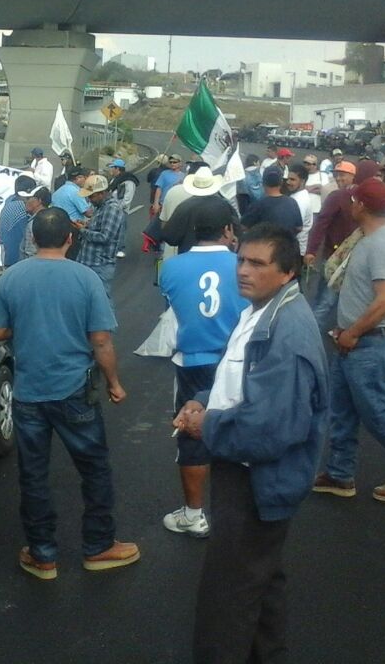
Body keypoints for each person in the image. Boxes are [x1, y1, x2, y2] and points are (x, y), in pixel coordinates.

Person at [172, 223, 329, 663]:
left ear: (287, 272)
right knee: (261, 582)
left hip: (254, 480)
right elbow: (236, 381)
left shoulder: (289, 331)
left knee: (226, 600)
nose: (242, 270)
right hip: (242, 469)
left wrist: (208, 427)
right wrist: (201, 402)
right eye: (241, 258)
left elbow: (271, 427)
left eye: (257, 263)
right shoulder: (260, 310)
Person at [0, 208, 139, 582]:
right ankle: (98, 547)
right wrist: (115, 383)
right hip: (74, 390)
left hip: (28, 392)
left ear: (34, 238)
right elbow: (100, 340)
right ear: (71, 238)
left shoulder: (11, 278)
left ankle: (43, 555)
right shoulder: (86, 279)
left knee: (34, 474)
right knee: (94, 468)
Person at [313, 178, 385, 503]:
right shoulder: (370, 239)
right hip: (354, 342)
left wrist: (352, 332)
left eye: (353, 200)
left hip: (369, 344)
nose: (349, 204)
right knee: (343, 411)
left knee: (377, 414)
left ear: (361, 206)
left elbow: (384, 301)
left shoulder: (382, 244)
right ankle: (339, 474)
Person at [159, 199, 247, 539]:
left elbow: (171, 308)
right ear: (227, 229)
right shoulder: (242, 264)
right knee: (240, 427)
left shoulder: (171, 268)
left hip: (193, 361)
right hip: (236, 359)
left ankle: (194, 514)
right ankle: (240, 510)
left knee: (192, 433)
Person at [304, 159, 367, 332]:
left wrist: (311, 250)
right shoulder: (345, 196)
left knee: (327, 298)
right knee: (329, 298)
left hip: (343, 258)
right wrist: (312, 250)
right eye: (336, 175)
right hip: (338, 257)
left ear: (353, 176)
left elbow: (320, 225)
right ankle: (314, 330)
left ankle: (310, 331)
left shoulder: (343, 197)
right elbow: (321, 225)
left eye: (343, 175)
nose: (339, 178)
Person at [76, 174, 127, 300]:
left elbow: (105, 237)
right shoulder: (100, 207)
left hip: (99, 264)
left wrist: (82, 230)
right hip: (90, 262)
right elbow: (98, 228)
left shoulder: (112, 209)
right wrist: (86, 225)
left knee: (102, 301)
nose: (89, 200)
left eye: (91, 196)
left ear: (102, 193)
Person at [241, 166, 302, 234]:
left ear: (263, 182)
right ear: (281, 182)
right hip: (287, 243)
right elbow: (299, 227)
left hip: (265, 243)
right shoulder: (292, 202)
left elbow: (243, 226)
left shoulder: (258, 204)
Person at [0, 176, 34, 268]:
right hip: (16, 256)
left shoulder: (10, 199)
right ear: (29, 190)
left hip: (5, 251)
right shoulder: (23, 207)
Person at [286, 163, 314, 255]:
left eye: (292, 179)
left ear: (302, 181)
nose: (288, 182)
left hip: (295, 250)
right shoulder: (297, 196)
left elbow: (295, 227)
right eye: (288, 179)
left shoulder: (300, 201)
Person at [20, 186, 51, 261]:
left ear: (39, 200)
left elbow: (32, 250)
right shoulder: (50, 217)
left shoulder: (37, 221)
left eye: (28, 198)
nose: (25, 201)